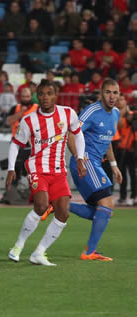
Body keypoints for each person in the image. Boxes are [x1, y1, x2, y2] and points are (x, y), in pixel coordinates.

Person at [6, 80, 86, 266]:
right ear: (37, 96)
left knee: (63, 212)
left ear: (55, 95)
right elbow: (15, 144)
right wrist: (11, 168)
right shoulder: (28, 120)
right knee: (41, 206)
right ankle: (18, 246)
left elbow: (78, 134)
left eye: (49, 93)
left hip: (58, 171)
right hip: (37, 169)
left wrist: (80, 157)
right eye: (41, 94)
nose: (45, 97)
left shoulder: (67, 113)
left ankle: (39, 253)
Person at [57, 79, 122, 261]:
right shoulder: (92, 111)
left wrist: (114, 165)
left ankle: (58, 205)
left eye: (115, 93)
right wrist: (79, 159)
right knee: (107, 204)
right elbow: (71, 133)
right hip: (86, 162)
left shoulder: (115, 114)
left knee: (103, 210)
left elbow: (107, 140)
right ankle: (89, 252)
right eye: (108, 92)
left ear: (119, 95)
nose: (111, 96)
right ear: (101, 93)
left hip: (97, 164)